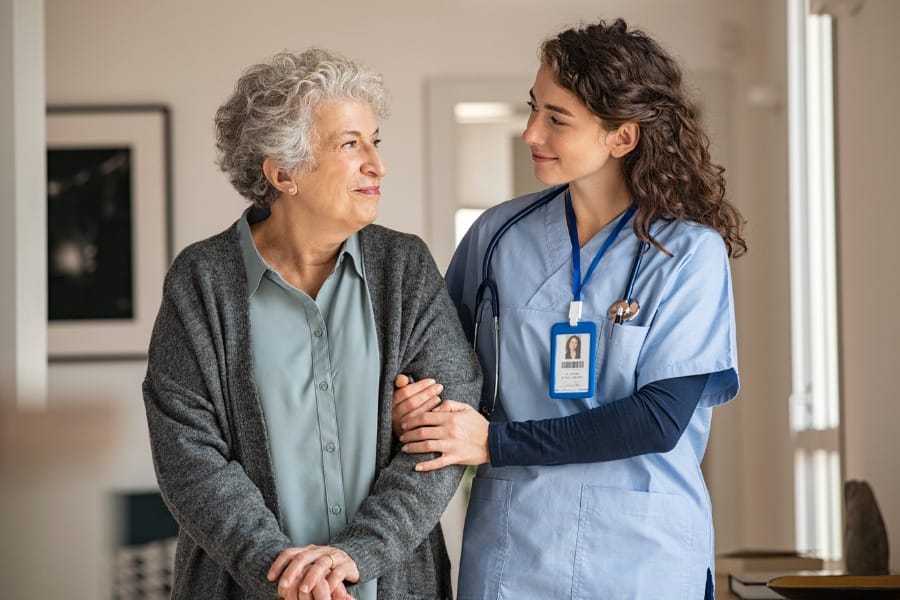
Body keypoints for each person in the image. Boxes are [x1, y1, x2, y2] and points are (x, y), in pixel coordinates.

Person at [393, 18, 745, 599]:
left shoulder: (687, 254)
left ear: (622, 137)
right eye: (534, 109)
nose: (531, 131)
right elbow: (438, 364)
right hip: (515, 548)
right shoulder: (497, 236)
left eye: (557, 119)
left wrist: (494, 444)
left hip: (642, 559)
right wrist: (414, 404)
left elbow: (659, 418)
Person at [142, 48, 480, 600]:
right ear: (283, 173)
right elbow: (189, 458)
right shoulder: (200, 281)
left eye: (375, 141)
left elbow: (445, 432)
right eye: (351, 144)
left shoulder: (405, 268)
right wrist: (286, 574)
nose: (377, 164)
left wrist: (355, 556)